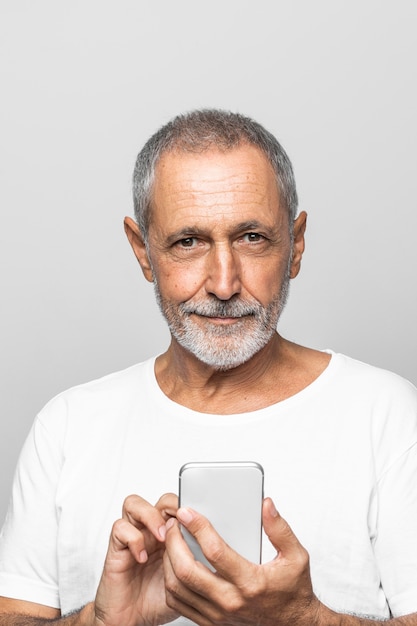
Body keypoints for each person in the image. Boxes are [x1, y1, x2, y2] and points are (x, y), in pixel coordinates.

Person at [0, 109, 416, 626]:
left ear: (297, 244)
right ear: (142, 251)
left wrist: (303, 619)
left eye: (252, 237)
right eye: (188, 242)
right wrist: (101, 623)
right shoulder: (66, 427)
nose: (223, 284)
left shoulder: (387, 417)